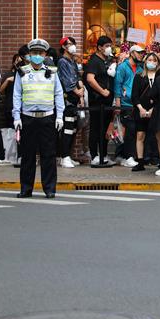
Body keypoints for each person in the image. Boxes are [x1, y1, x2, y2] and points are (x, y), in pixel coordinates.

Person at [12, 39, 64, 198]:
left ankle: (49, 189)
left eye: (40, 53)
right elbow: (17, 95)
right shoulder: (22, 72)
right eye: (34, 53)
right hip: (28, 119)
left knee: (48, 155)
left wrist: (60, 116)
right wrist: (16, 117)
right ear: (29, 54)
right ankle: (26, 189)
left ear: (45, 54)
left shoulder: (52, 72)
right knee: (27, 156)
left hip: (47, 118)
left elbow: (58, 94)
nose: (37, 56)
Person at [84, 35, 115, 167]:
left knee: (104, 128)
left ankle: (103, 154)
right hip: (97, 100)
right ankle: (94, 155)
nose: (109, 48)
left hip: (107, 101)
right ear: (99, 47)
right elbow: (90, 79)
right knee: (96, 128)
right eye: (106, 46)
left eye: (110, 46)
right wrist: (102, 91)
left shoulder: (106, 61)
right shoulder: (94, 61)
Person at [113, 44, 144, 168]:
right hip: (125, 104)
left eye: (142, 53)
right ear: (132, 53)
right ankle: (128, 156)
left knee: (134, 131)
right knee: (129, 131)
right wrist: (118, 104)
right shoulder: (122, 67)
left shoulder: (141, 68)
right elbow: (118, 85)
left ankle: (128, 155)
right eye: (139, 52)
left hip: (137, 104)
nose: (141, 55)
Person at [130, 52, 160, 172]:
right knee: (140, 135)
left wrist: (153, 109)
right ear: (145, 61)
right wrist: (141, 108)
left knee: (158, 136)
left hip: (156, 110)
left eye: (154, 60)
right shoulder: (139, 76)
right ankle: (140, 161)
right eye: (149, 60)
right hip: (141, 110)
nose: (151, 62)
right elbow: (134, 95)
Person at [55, 37, 83, 168]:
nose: (73, 46)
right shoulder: (62, 62)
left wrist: (81, 93)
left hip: (75, 99)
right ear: (64, 47)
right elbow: (67, 81)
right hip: (67, 100)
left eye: (73, 44)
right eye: (70, 44)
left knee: (73, 128)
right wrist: (78, 91)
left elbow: (77, 77)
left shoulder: (72, 61)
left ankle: (68, 155)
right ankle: (64, 156)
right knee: (67, 128)